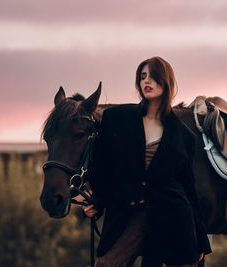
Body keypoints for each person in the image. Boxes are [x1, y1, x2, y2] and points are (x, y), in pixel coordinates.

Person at [83, 56, 211, 267]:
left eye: (153, 76)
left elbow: (188, 189)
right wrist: (97, 200)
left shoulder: (184, 135)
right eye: (142, 77)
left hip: (174, 217)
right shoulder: (116, 118)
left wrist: (201, 241)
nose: (146, 82)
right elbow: (103, 168)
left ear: (166, 82)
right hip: (128, 213)